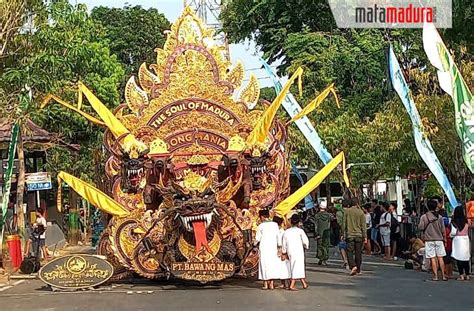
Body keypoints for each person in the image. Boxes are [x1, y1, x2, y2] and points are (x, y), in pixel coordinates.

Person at [418, 199, 447, 281]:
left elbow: (420, 227)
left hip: (429, 240)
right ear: (436, 206)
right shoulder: (440, 217)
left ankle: (435, 276)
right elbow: (443, 230)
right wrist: (445, 239)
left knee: (432, 258)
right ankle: (444, 275)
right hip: (439, 239)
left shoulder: (424, 217)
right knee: (440, 257)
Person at [282, 214, 309, 290]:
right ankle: (292, 285)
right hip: (298, 250)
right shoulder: (300, 231)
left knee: (294, 266)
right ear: (298, 222)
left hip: (289, 250)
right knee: (297, 266)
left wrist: (284, 252)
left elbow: (284, 243)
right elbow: (305, 241)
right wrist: (306, 246)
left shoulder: (286, 232)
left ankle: (304, 283)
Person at [255, 209, 280, 290]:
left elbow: (257, 239)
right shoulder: (275, 225)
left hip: (264, 247)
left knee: (264, 264)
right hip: (273, 247)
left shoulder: (260, 226)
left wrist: (253, 244)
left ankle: (265, 284)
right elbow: (278, 236)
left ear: (262, 217)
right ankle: (271, 284)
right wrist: (279, 246)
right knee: (272, 264)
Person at [342, 197, 366, 276]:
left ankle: (353, 266)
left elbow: (343, 224)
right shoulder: (361, 212)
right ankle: (358, 268)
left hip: (350, 235)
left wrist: (343, 234)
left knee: (349, 251)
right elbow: (363, 226)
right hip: (359, 235)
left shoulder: (347, 212)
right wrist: (365, 236)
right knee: (358, 252)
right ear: (357, 203)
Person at [450, 206, 471, 281]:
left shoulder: (454, 222)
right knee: (466, 258)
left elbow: (452, 233)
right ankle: (467, 275)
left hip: (458, 240)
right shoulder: (466, 221)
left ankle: (461, 275)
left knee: (459, 258)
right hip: (465, 239)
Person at [273, 216, 290, 288]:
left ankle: (286, 283)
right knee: (282, 268)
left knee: (284, 267)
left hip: (281, 251)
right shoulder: (281, 231)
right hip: (280, 250)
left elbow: (281, 243)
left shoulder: (281, 231)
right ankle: (283, 283)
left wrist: (283, 253)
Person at [314, 201, 331, 265]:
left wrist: (316, 233)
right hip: (326, 233)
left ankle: (321, 258)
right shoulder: (328, 215)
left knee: (320, 246)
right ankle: (325, 259)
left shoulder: (317, 215)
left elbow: (315, 226)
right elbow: (329, 224)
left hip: (319, 233)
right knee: (326, 246)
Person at [336, 202, 349, 269]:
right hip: (351, 231)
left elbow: (339, 223)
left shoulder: (339, 213)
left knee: (342, 246)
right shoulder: (350, 212)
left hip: (342, 231)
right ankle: (349, 261)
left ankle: (345, 260)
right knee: (349, 246)